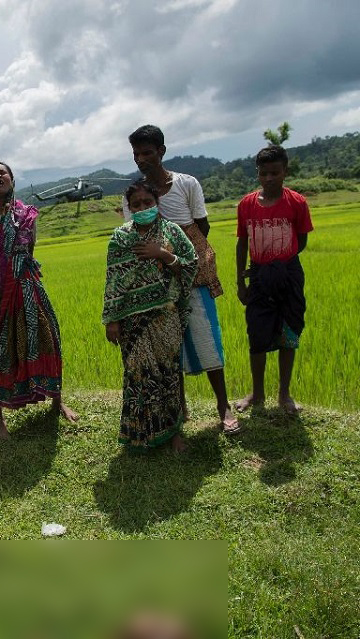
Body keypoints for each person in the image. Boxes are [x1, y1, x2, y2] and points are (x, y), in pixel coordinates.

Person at [124, 125, 238, 433]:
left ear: (161, 151)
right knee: (169, 345)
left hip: (192, 271)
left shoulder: (187, 184)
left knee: (206, 335)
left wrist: (177, 252)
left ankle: (223, 405)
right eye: (136, 154)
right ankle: (180, 407)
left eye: (147, 152)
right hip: (156, 277)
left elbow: (201, 227)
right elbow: (135, 235)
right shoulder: (137, 194)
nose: (141, 159)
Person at [0, 153, 78, 438]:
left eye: (3, 173)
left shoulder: (26, 213)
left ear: (13, 181)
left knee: (46, 334)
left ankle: (57, 402)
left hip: (24, 282)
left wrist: (20, 277)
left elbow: (30, 251)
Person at [103, 181, 198, 451]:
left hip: (165, 316)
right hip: (132, 321)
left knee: (168, 375)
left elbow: (191, 266)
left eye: (147, 203)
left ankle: (174, 434)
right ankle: (141, 434)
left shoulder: (172, 231)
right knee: (138, 376)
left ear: (156, 203)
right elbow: (113, 281)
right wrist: (112, 320)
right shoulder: (120, 238)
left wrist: (164, 254)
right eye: (137, 205)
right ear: (129, 208)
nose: (143, 208)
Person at [235, 145, 313, 415]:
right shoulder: (246, 205)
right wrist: (240, 281)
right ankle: (257, 394)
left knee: (289, 331)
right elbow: (242, 243)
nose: (269, 178)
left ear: (285, 172)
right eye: (264, 173)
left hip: (288, 273)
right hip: (257, 275)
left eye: (275, 173)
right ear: (258, 173)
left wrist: (279, 264)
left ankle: (284, 394)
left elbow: (300, 241)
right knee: (256, 333)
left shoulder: (297, 202)